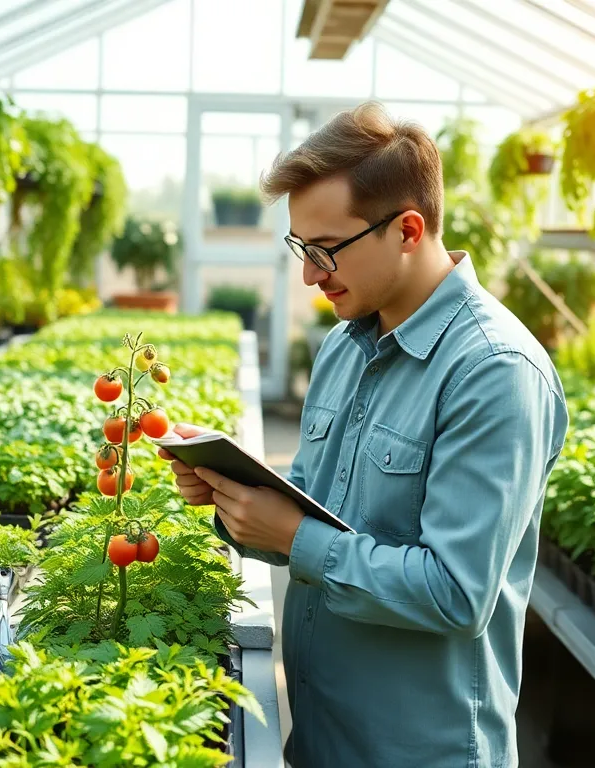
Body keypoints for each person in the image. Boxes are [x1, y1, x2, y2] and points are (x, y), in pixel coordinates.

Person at [159, 102, 569, 767]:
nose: (310, 274)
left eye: (325, 250)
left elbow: (456, 592)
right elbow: (325, 510)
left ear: (407, 230)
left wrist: (291, 536)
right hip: (322, 735)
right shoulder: (345, 346)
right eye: (300, 247)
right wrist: (233, 493)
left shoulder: (493, 372)